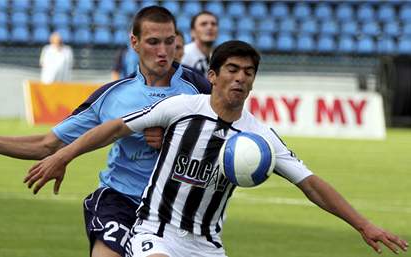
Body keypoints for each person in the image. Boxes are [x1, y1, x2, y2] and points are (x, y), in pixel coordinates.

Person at [24, 40, 408, 257]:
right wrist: (62, 154)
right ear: (213, 76)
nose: (240, 78)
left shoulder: (260, 139)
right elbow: (114, 127)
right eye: (232, 70)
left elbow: (310, 183)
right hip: (156, 233)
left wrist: (364, 224)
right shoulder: (181, 109)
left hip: (207, 245)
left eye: (248, 72)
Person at [0, 6, 211, 257]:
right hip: (120, 200)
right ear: (135, 43)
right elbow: (47, 144)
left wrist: (177, 138)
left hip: (175, 211)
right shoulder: (112, 96)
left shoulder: (198, 88)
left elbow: (229, 136)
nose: (163, 52)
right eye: (153, 42)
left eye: (169, 42)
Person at [181, 11, 218, 76]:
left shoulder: (218, 55)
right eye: (203, 24)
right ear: (193, 32)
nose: (210, 27)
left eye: (213, 24)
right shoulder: (184, 54)